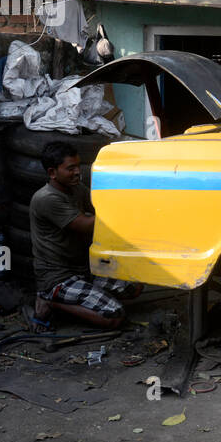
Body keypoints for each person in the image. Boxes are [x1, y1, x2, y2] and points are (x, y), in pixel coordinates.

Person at [29, 140, 141, 330]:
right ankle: (50, 301)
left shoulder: (76, 189)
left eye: (78, 166)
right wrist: (125, 209)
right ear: (52, 173)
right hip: (58, 278)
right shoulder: (47, 199)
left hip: (83, 269)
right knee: (115, 316)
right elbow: (86, 225)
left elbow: (99, 206)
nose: (78, 172)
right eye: (70, 168)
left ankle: (86, 298)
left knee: (135, 286)